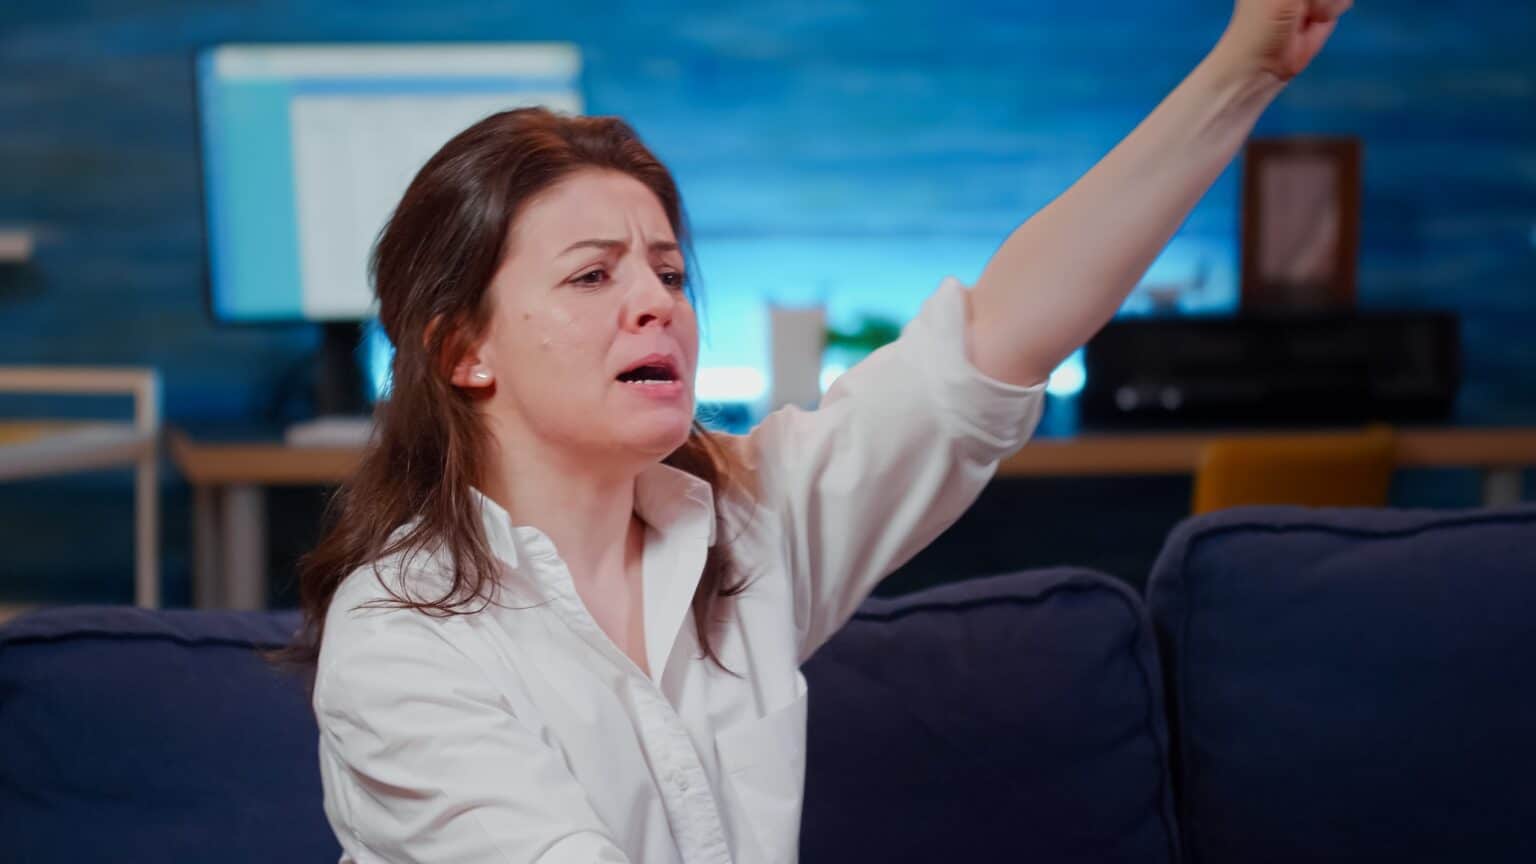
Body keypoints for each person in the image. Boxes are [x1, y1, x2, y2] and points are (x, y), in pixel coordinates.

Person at [292, 1, 1353, 861]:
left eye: (668, 271)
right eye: (591, 276)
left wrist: (1246, 67)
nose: (657, 302)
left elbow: (995, 342)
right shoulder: (401, 639)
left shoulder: (742, 524)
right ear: (462, 352)